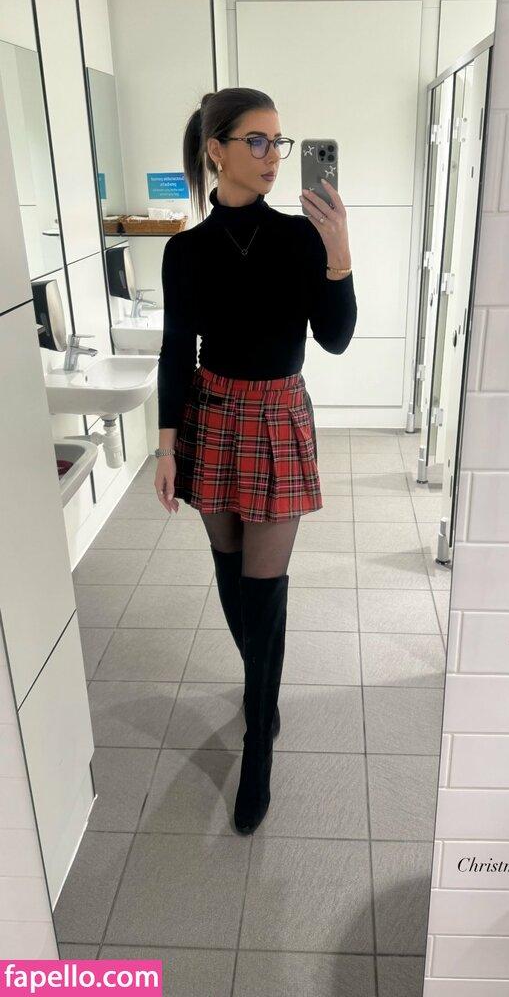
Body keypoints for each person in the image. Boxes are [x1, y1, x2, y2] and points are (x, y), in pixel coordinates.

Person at [154, 87, 357, 834]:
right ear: (217, 151)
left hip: (277, 417)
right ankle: (260, 690)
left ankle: (257, 745)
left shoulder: (301, 237)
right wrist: (166, 447)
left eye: (279, 142)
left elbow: (335, 338)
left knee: (264, 590)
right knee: (232, 573)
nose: (273, 156)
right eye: (258, 141)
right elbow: (176, 352)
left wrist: (340, 254)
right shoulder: (185, 251)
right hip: (210, 417)